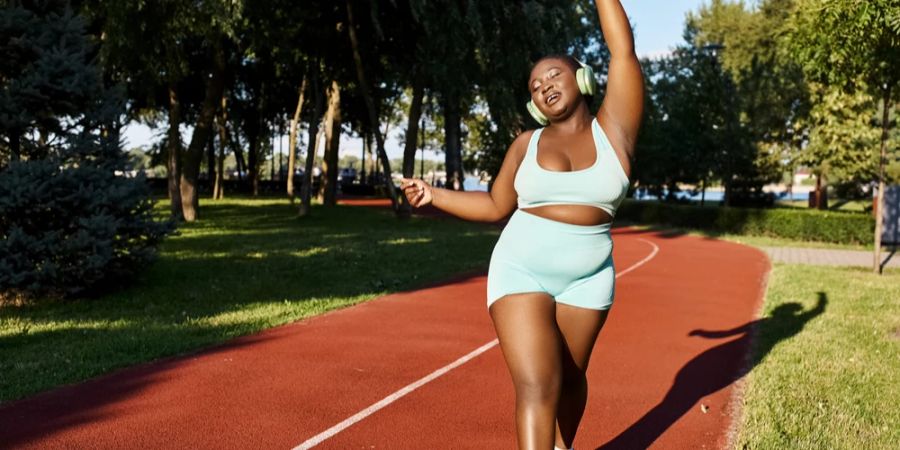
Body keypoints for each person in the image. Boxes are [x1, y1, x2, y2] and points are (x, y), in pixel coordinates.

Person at [400, 1, 642, 448]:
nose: (544, 86)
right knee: (538, 385)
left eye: (554, 75)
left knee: (570, 381)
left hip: (588, 280)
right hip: (521, 269)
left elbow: (621, 49)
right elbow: (495, 206)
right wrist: (433, 196)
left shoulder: (615, 132)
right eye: (535, 86)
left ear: (583, 79)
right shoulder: (525, 145)